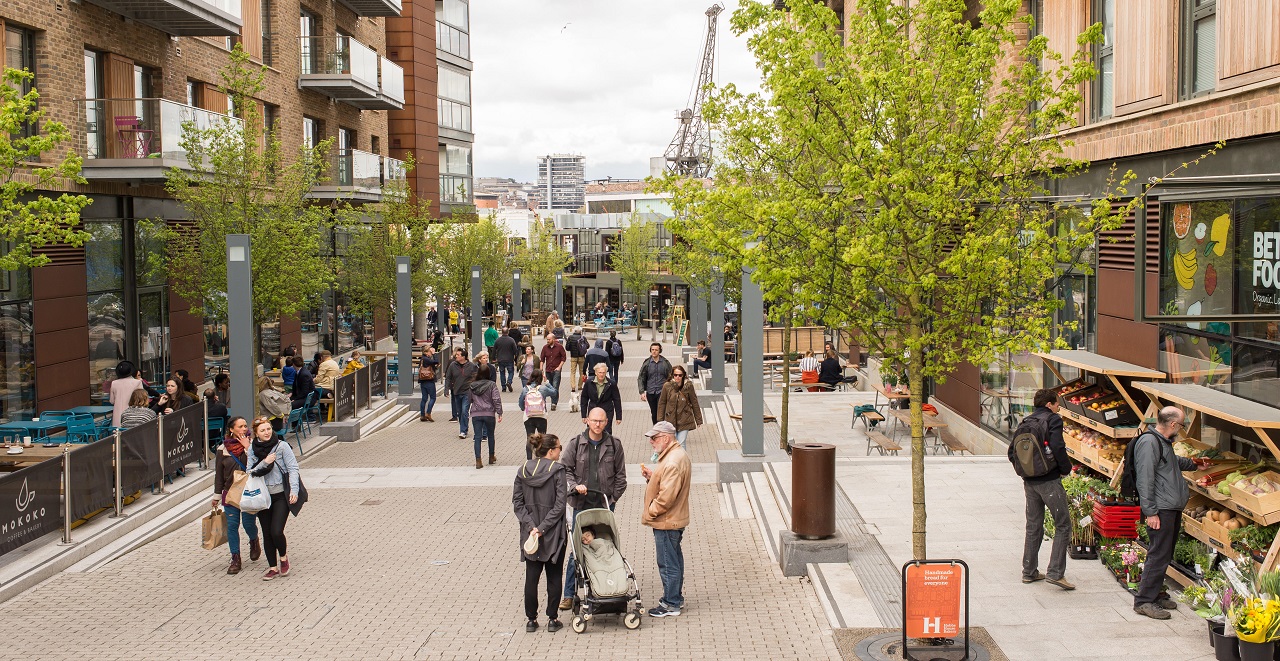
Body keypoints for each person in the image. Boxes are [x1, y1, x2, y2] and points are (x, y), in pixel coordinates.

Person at [1133, 406, 1210, 619]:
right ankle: (1143, 601)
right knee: (1158, 554)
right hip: (1161, 508)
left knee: (1164, 553)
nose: (1182, 428)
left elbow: (1171, 464)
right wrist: (1151, 512)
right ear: (1173, 424)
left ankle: (1155, 594)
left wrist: (1194, 464)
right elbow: (1145, 479)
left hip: (1169, 507)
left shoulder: (1162, 442)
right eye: (1182, 424)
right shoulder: (1149, 443)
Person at [558, 407, 627, 611]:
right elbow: (565, 470)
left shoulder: (614, 445)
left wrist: (612, 499)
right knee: (577, 549)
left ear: (607, 422)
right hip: (581, 505)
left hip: (604, 505)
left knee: (605, 545)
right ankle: (569, 594)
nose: (597, 424)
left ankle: (608, 587)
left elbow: (621, 476)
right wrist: (573, 487)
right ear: (587, 420)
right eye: (594, 420)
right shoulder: (575, 444)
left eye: (601, 421)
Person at [1010, 389, 1075, 592]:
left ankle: (1029, 572)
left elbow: (1011, 452)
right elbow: (1058, 447)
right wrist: (1065, 469)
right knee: (1063, 524)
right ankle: (1056, 573)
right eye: (1057, 404)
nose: (1058, 408)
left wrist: (1025, 471)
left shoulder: (1026, 421)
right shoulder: (1053, 420)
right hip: (1049, 480)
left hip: (1029, 481)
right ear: (1049, 405)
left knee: (1033, 525)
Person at [513, 432, 567, 633]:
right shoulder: (557, 470)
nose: (560, 452)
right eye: (559, 448)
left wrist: (531, 527)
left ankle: (531, 620)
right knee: (554, 576)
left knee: (531, 577)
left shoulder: (522, 471)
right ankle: (552, 619)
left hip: (530, 534)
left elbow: (517, 504)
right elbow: (560, 504)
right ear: (552, 451)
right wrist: (543, 527)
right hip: (553, 532)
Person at [640, 421, 691, 617]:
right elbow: (668, 485)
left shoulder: (672, 461)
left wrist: (650, 511)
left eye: (654, 438)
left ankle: (671, 603)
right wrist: (653, 477)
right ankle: (675, 597)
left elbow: (666, 498)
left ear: (666, 438)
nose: (651, 442)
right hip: (673, 518)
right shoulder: (673, 456)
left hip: (667, 520)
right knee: (674, 558)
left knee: (668, 562)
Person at [246, 416, 301, 581]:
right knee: (266, 533)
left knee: (276, 530)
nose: (267, 432)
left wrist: (294, 490)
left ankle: (283, 557)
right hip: (262, 496)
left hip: (280, 495)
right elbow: (250, 471)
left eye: (268, 429)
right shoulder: (252, 449)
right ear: (256, 433)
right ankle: (272, 567)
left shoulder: (282, 446)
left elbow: (293, 468)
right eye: (262, 430)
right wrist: (265, 462)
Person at [213, 416, 261, 575]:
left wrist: (248, 448)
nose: (243, 429)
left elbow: (257, 465)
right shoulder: (223, 449)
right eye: (239, 427)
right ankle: (235, 558)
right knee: (232, 525)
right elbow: (219, 474)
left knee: (248, 523)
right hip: (230, 492)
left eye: (245, 426)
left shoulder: (253, 445)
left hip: (248, 492)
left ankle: (254, 541)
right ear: (231, 430)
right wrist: (216, 496)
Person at [468, 364, 503, 469]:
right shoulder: (492, 385)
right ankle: (491, 456)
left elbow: (469, 399)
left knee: (477, 437)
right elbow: (496, 399)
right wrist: (499, 412)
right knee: (491, 435)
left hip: (476, 413)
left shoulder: (472, 385)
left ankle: (478, 460)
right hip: (489, 413)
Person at [657, 366, 702, 447]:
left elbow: (694, 402)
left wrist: (698, 420)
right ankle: (675, 459)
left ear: (683, 375)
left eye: (680, 375)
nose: (677, 377)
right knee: (672, 444)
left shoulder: (688, 386)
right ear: (672, 375)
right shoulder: (667, 386)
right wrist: (660, 420)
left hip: (685, 419)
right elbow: (662, 403)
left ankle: (682, 460)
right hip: (670, 420)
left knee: (681, 443)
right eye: (675, 375)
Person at [519, 369, 557, 459]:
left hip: (529, 417)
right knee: (542, 438)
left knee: (529, 438)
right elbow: (555, 393)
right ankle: (541, 457)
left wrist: (525, 409)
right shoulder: (543, 388)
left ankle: (529, 459)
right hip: (541, 416)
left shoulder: (525, 389)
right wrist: (547, 382)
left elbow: (520, 403)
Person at [579, 363, 622, 435]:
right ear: (596, 372)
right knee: (592, 431)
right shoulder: (589, 382)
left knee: (606, 432)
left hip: (607, 410)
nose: (601, 374)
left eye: (603, 372)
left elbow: (617, 399)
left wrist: (619, 416)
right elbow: (584, 398)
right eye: (600, 372)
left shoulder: (611, 384)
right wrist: (583, 415)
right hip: (593, 410)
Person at [445, 348, 477, 439]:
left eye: (458, 355)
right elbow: (448, 377)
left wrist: (474, 388)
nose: (456, 356)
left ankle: (463, 430)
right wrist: (446, 389)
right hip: (456, 392)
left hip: (467, 392)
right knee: (459, 412)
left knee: (464, 411)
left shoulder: (471, 366)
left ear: (463, 357)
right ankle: (463, 426)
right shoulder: (452, 365)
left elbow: (476, 377)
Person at [637, 343, 672, 425]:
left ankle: (662, 429)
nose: (654, 352)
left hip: (662, 391)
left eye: (656, 350)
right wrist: (642, 392)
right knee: (654, 413)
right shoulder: (647, 363)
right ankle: (656, 429)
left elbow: (671, 376)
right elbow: (641, 377)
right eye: (652, 350)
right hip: (651, 391)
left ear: (659, 351)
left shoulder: (665, 363)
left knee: (661, 412)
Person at [108, 361, 144, 429]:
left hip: (117, 415)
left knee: (117, 436)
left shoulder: (114, 383)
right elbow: (141, 400)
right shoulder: (137, 382)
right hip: (133, 414)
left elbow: (112, 401)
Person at [539, 335, 567, 410]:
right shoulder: (545, 348)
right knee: (549, 386)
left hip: (556, 370)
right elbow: (542, 359)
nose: (548, 341)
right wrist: (541, 369)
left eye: (549, 339)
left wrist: (559, 367)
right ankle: (553, 400)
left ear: (553, 339)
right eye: (547, 339)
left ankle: (554, 403)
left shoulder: (559, 347)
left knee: (555, 386)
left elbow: (564, 357)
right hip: (548, 370)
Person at [493, 327, 520, 393]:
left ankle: (503, 387)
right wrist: (516, 357)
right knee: (511, 372)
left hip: (500, 359)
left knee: (502, 373)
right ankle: (509, 382)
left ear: (502, 332)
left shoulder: (498, 340)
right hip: (509, 359)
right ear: (508, 332)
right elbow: (515, 350)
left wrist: (493, 358)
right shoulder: (511, 340)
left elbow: (494, 350)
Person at [418, 345, 439, 422]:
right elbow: (436, 361)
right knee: (433, 397)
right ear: (426, 352)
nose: (431, 353)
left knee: (424, 398)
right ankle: (428, 413)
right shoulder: (426, 359)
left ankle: (422, 415)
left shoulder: (422, 359)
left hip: (422, 381)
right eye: (430, 351)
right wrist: (434, 354)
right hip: (429, 380)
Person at [566, 326, 589, 392]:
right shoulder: (583, 338)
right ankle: (580, 386)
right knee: (582, 371)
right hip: (581, 357)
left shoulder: (570, 337)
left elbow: (567, 348)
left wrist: (572, 348)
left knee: (573, 372)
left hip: (573, 357)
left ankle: (573, 387)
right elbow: (587, 346)